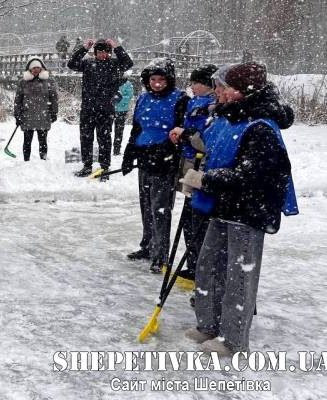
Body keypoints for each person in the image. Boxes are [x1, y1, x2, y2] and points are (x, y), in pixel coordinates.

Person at [181, 62, 298, 355]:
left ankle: (233, 340)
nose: (217, 92)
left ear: (244, 91)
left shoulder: (261, 127)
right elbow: (213, 154)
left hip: (247, 213)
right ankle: (208, 324)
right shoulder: (229, 118)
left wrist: (207, 179)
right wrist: (198, 180)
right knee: (208, 267)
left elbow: (253, 176)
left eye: (224, 87)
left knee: (238, 276)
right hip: (222, 208)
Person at [121, 59, 189, 272]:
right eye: (153, 80)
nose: (157, 84)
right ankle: (148, 245)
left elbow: (181, 131)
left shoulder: (179, 100)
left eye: (161, 80)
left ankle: (161, 254)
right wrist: (129, 154)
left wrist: (167, 151)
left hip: (164, 162)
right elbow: (137, 129)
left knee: (160, 209)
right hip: (144, 158)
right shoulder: (143, 99)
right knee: (146, 206)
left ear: (169, 80)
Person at [165, 64, 218, 288]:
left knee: (198, 221)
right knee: (189, 218)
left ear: (206, 84)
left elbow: (206, 139)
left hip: (199, 166)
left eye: (195, 82)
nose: (192, 86)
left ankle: (199, 266)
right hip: (188, 162)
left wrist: (186, 134)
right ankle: (193, 261)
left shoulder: (213, 107)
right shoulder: (195, 103)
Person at [68, 38, 133, 177]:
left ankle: (105, 167)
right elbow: (71, 64)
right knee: (86, 137)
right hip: (88, 108)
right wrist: (84, 49)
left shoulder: (114, 64)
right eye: (99, 52)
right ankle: (87, 166)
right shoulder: (88, 64)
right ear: (95, 53)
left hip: (106, 109)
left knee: (104, 139)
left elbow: (128, 63)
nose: (102, 54)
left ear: (109, 53)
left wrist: (117, 48)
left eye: (105, 52)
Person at [13, 57, 59, 161]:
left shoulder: (48, 81)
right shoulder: (23, 82)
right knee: (27, 141)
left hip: (43, 116)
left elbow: (54, 98)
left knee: (43, 141)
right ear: (29, 69)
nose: (36, 70)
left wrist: (54, 112)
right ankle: (26, 161)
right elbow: (18, 100)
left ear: (41, 68)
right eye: (33, 68)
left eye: (38, 67)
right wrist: (17, 115)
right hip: (27, 116)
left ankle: (43, 160)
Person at [112, 77, 134, 155]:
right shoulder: (109, 80)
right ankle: (105, 150)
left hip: (121, 110)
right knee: (106, 132)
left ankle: (116, 150)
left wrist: (117, 99)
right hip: (109, 110)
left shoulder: (127, 84)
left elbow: (130, 96)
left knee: (119, 132)